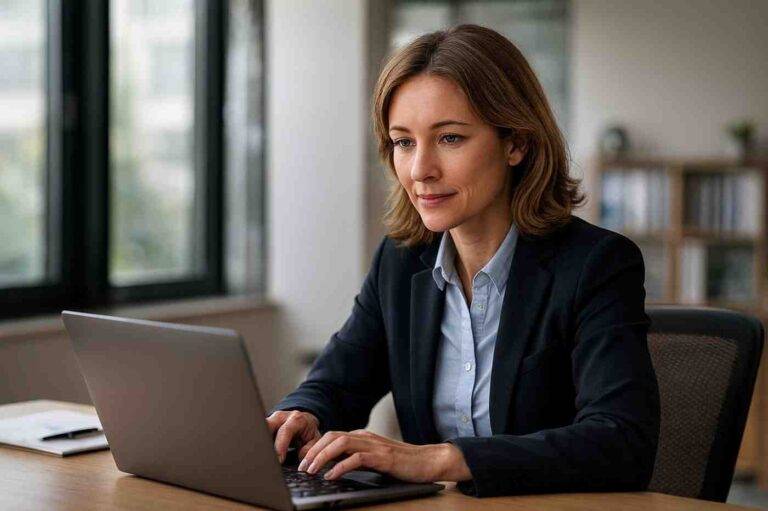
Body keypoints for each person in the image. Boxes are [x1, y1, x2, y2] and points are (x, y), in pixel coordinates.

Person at [266, 24, 660, 497]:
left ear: (516, 143)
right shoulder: (401, 261)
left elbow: (621, 443)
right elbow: (337, 380)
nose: (420, 170)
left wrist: (437, 458)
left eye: (450, 138)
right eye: (404, 142)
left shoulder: (596, 265)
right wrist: (301, 414)